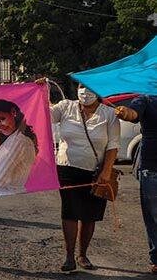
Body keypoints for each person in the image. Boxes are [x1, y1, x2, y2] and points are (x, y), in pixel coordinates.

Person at [49, 83, 120, 273]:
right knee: (70, 212)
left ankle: (83, 254)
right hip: (67, 168)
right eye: (81, 86)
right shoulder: (65, 106)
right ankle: (69, 257)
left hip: (96, 172)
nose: (85, 91)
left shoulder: (110, 114)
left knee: (89, 215)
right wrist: (41, 91)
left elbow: (113, 145)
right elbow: (43, 115)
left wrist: (106, 171)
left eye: (90, 87)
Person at [115, 95, 157, 275]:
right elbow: (133, 113)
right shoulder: (146, 98)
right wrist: (125, 112)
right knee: (154, 216)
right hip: (152, 168)